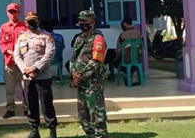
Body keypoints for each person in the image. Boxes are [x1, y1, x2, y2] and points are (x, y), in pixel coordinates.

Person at [14, 12, 58, 138]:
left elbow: (49, 54)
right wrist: (26, 70)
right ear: (26, 23)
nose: (31, 23)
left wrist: (35, 68)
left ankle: (52, 130)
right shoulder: (22, 38)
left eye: (33, 21)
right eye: (29, 21)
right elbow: (17, 56)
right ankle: (34, 130)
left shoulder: (46, 36)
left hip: (42, 76)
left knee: (46, 103)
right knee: (30, 104)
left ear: (38, 21)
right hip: (27, 77)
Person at [69, 10, 109, 138]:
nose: (82, 23)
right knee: (83, 114)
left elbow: (96, 61)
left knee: (96, 112)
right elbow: (73, 58)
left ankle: (101, 135)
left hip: (93, 82)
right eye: (80, 21)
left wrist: (80, 76)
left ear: (93, 22)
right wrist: (73, 73)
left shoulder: (98, 38)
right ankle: (90, 134)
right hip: (80, 82)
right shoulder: (79, 39)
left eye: (85, 21)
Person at [0, 2, 27, 119]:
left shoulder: (24, 27)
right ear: (7, 13)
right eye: (10, 12)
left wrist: (20, 54)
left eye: (14, 11)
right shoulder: (4, 27)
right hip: (9, 62)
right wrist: (12, 53)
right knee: (10, 88)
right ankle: (10, 109)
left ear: (18, 12)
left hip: (23, 63)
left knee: (25, 87)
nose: (12, 14)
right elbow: (1, 43)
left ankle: (27, 108)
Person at [113, 16, 143, 85]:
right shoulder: (139, 34)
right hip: (138, 59)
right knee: (133, 62)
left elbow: (118, 50)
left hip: (126, 59)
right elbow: (142, 46)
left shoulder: (122, 35)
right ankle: (132, 76)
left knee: (115, 62)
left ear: (125, 24)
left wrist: (118, 55)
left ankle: (128, 75)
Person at [42, 21, 65, 85]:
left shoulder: (43, 37)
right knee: (60, 57)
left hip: (45, 60)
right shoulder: (60, 36)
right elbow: (62, 47)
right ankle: (59, 77)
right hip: (56, 60)